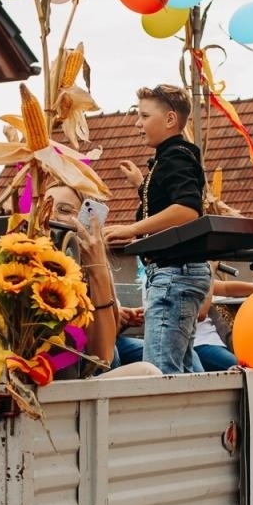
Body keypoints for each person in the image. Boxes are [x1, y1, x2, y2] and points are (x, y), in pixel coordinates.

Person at [104, 84, 209, 375]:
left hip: (175, 273)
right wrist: (141, 185)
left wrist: (132, 229)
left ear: (170, 120)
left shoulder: (175, 157)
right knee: (181, 365)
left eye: (144, 116)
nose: (138, 124)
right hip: (178, 274)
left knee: (161, 368)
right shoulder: (171, 157)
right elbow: (168, 205)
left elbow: (187, 210)